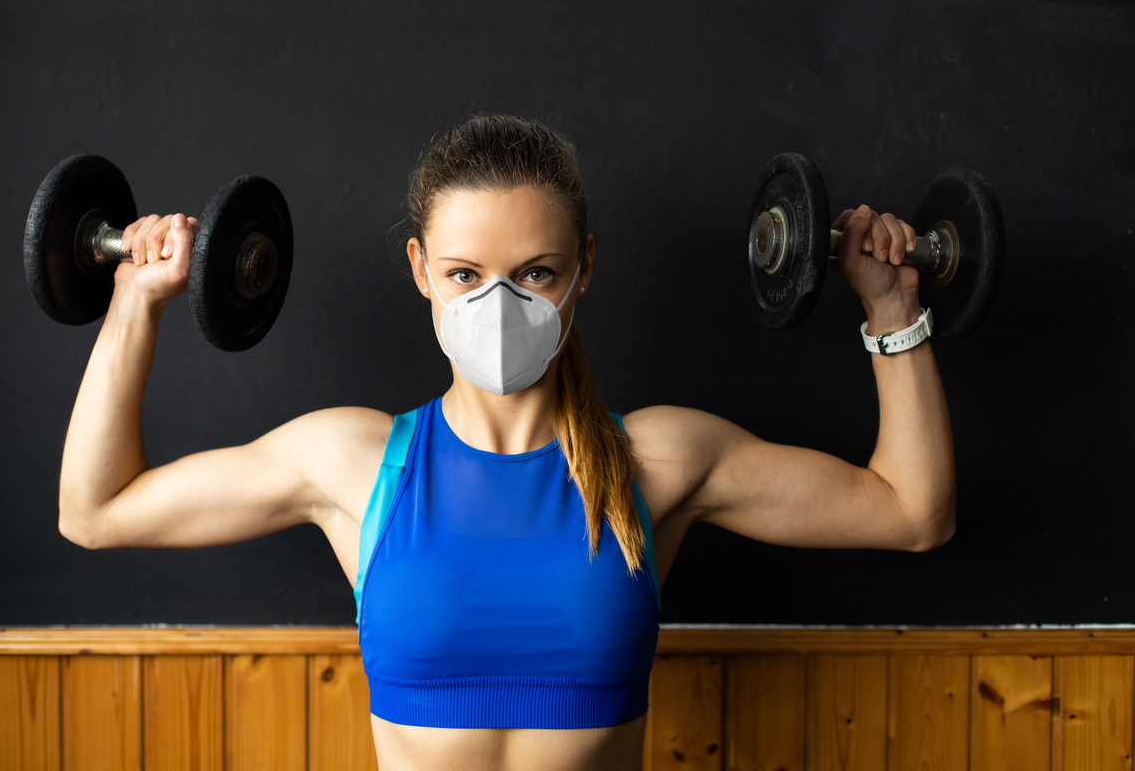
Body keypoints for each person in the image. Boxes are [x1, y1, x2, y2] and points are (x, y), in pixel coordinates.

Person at [57, 114, 954, 771]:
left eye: (535, 273)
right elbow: (96, 512)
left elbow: (913, 514)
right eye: (464, 274)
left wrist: (892, 306)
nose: (500, 305)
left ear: (584, 270)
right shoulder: (354, 465)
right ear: (421, 272)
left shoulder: (661, 462)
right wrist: (135, 302)